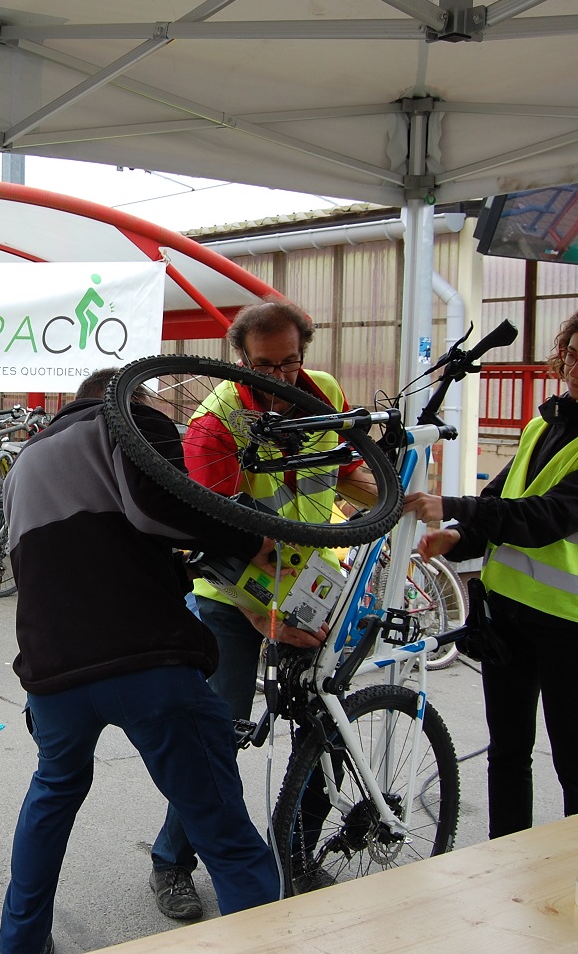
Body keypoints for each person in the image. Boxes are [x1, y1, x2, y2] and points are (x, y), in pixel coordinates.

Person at [0, 368, 322, 954]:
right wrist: (251, 538)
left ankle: (19, 945)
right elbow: (159, 512)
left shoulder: (23, 465)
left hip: (53, 674)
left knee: (52, 797)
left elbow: (77, 556)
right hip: (146, 661)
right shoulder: (128, 420)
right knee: (225, 833)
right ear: (128, 398)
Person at [148, 301, 376, 918]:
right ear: (240, 361)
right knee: (215, 736)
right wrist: (262, 620)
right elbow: (209, 538)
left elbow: (348, 471)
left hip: (311, 587)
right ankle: (171, 862)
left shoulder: (320, 391)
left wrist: (393, 498)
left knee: (324, 724)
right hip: (234, 600)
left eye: (291, 363)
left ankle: (299, 852)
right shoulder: (211, 425)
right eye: (263, 366)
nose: (279, 381)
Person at [404, 303, 578, 838]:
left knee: (576, 766)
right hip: (507, 616)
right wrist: (458, 536)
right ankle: (506, 866)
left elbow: (549, 518)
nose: (574, 368)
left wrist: (454, 507)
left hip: (574, 628)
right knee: (508, 755)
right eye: (571, 354)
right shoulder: (545, 424)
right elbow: (504, 502)